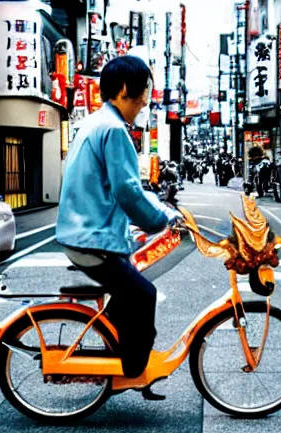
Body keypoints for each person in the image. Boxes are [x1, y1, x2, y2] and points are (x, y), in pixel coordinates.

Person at [56, 56, 180, 380]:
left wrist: (160, 210)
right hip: (93, 239)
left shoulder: (94, 124)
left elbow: (125, 189)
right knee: (143, 294)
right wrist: (161, 220)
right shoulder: (114, 131)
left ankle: (120, 349)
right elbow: (128, 192)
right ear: (125, 89)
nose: (145, 101)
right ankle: (134, 370)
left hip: (80, 233)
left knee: (128, 293)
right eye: (143, 92)